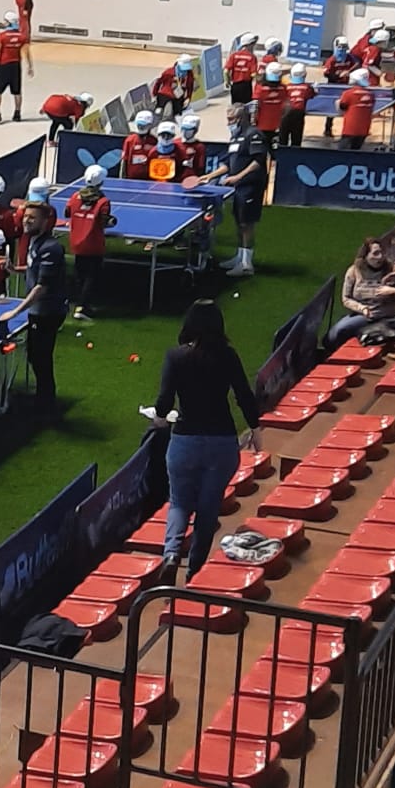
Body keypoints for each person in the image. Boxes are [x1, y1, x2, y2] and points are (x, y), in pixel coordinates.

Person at [147, 301, 261, 582]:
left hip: (185, 441)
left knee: (179, 502)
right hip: (222, 443)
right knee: (209, 507)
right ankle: (194, 570)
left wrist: (159, 418)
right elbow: (244, 394)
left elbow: (164, 400)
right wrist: (256, 427)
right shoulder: (228, 356)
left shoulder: (176, 357)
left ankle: (171, 553)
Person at [4, 195, 66, 415]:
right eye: (26, 217)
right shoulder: (33, 241)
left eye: (32, 218)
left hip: (48, 311)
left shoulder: (51, 248)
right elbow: (33, 269)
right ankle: (43, 398)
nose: (26, 221)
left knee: (41, 358)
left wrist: (16, 310)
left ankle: (46, 404)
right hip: (38, 310)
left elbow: (42, 287)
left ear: (44, 222)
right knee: (35, 355)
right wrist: (15, 270)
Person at [217, 107, 269, 278]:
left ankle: (247, 264)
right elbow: (227, 164)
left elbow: (258, 161)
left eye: (231, 119)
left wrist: (237, 177)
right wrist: (208, 176)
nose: (228, 123)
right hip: (239, 187)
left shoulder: (254, 135)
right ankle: (239, 257)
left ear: (240, 118)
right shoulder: (235, 137)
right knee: (239, 221)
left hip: (251, 186)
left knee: (247, 224)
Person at [63, 164, 116, 320]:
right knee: (91, 277)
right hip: (93, 244)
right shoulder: (103, 201)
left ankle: (77, 302)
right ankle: (82, 307)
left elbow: (67, 213)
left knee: (80, 275)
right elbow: (105, 221)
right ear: (101, 182)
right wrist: (113, 221)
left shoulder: (74, 197)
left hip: (76, 243)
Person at [328, 238, 395, 345]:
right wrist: (361, 308)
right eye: (375, 254)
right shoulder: (354, 271)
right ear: (366, 256)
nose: (380, 257)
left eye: (382, 253)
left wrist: (392, 291)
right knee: (335, 334)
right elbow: (346, 298)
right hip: (365, 314)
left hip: (386, 313)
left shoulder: (392, 270)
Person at [0, 10, 28, 123]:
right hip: (16, 65)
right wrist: (30, 65)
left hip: (3, 65)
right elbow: (26, 51)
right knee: (16, 91)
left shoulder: (2, 36)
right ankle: (17, 113)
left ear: (8, 22)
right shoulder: (21, 36)